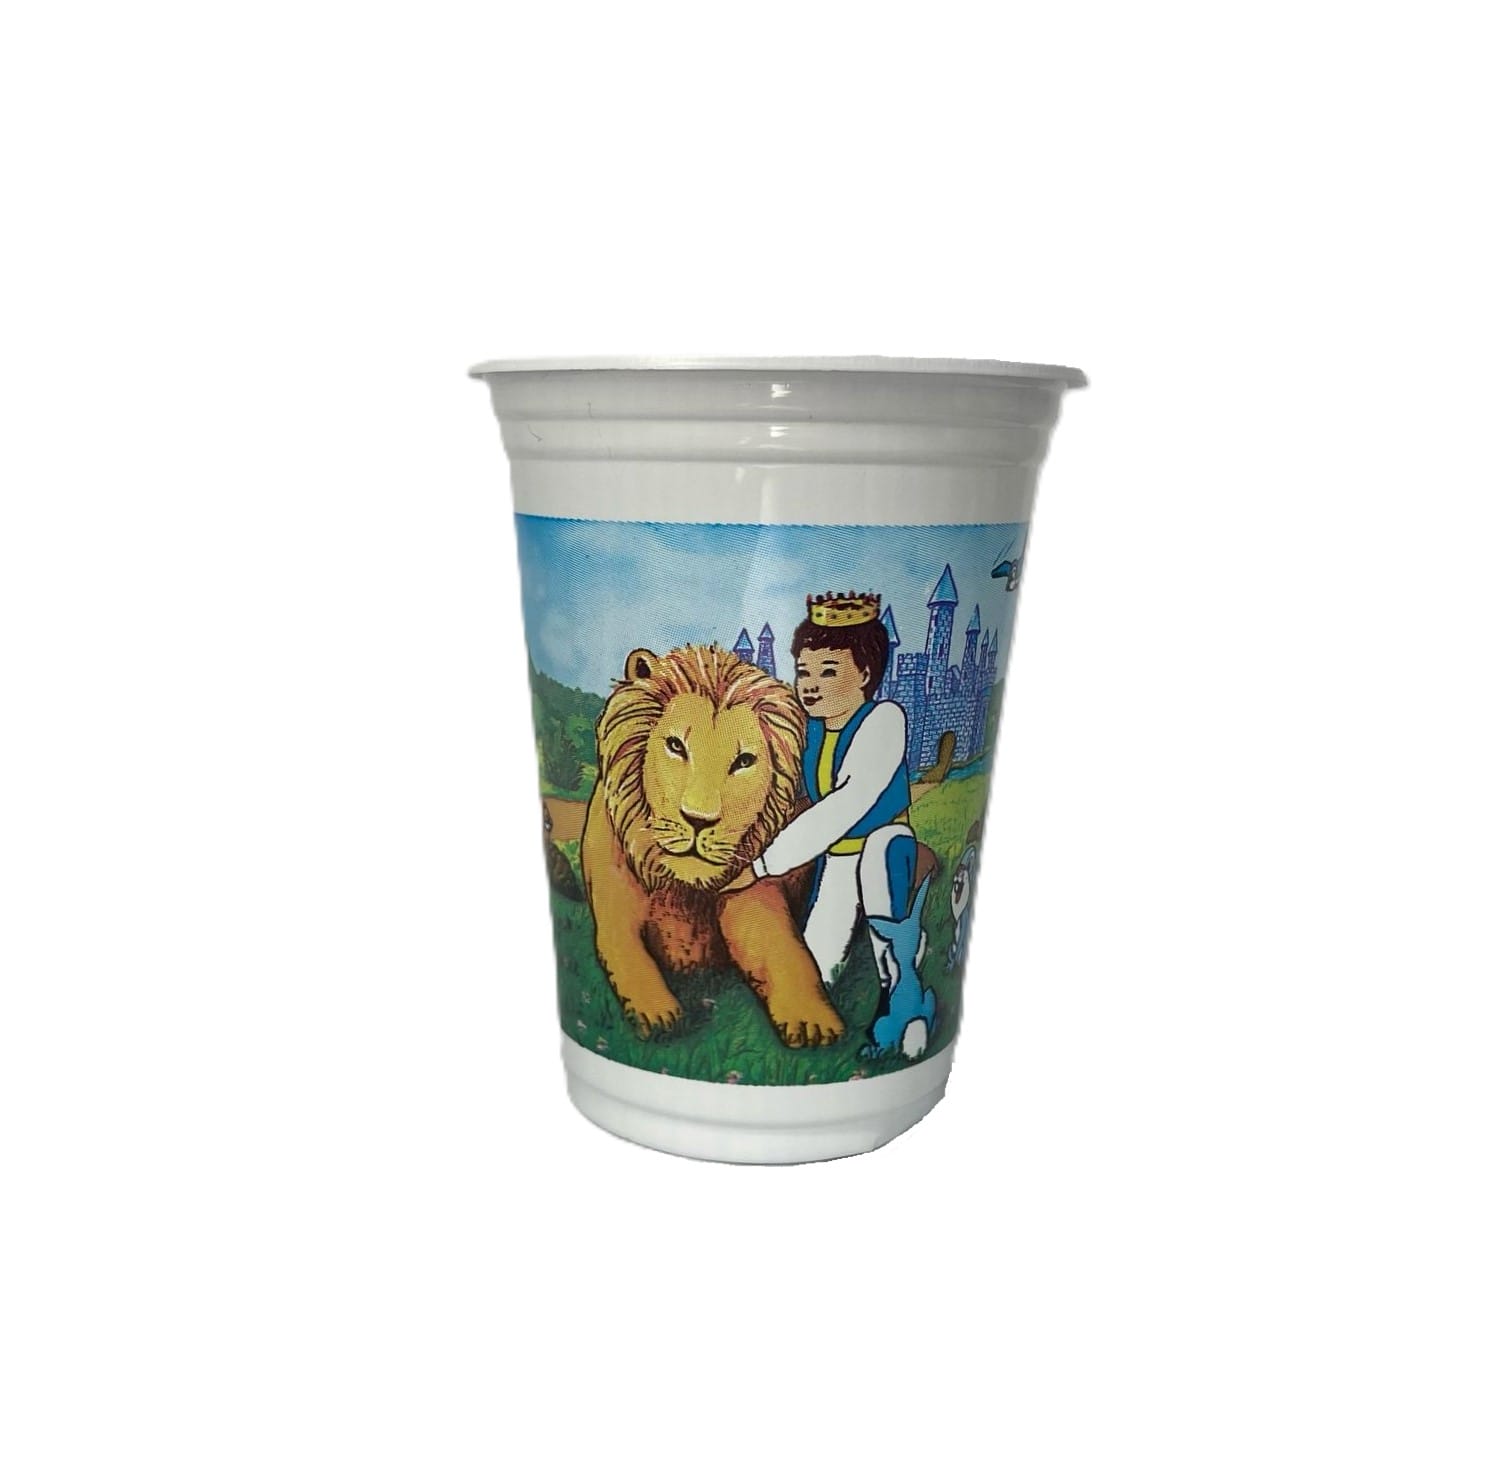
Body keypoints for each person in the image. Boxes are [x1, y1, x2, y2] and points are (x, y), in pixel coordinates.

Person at [734, 591, 917, 987]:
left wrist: (763, 865)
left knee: (879, 861)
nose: (811, 686)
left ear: (865, 675)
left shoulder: (884, 719)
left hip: (880, 845)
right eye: (804, 672)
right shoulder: (809, 731)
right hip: (839, 855)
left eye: (829, 672)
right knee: (817, 968)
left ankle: (903, 986)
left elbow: (847, 804)